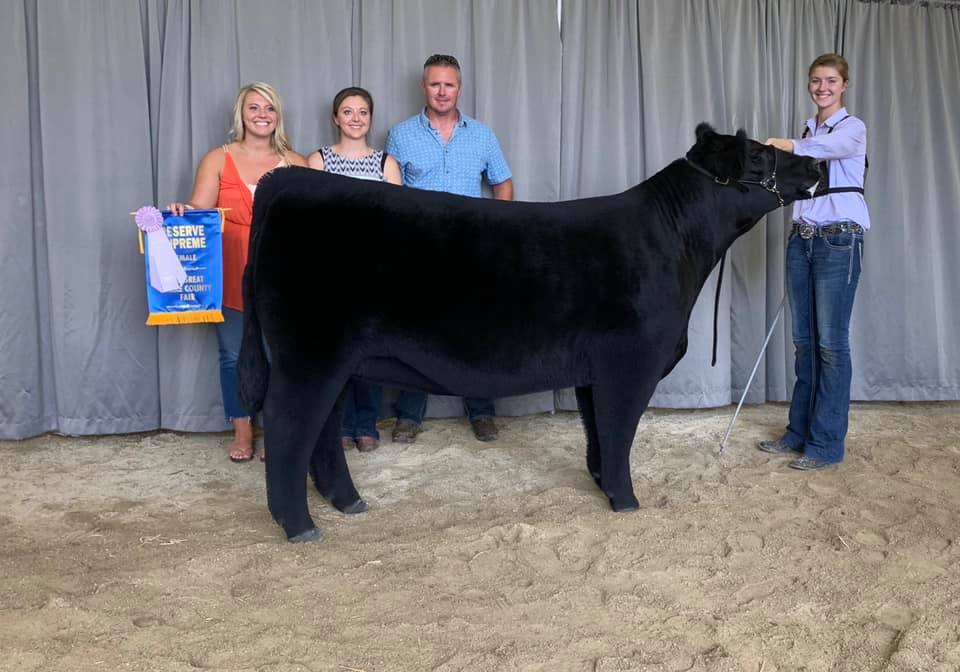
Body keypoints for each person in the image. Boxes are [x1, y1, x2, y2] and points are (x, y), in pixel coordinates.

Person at [167, 82, 307, 463]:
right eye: (254, 107)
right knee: (232, 354)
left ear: (278, 116)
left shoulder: (296, 162)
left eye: (269, 108)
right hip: (228, 270)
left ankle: (277, 427)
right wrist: (182, 212)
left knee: (278, 354)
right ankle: (243, 429)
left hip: (280, 276)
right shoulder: (217, 158)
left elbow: (310, 226)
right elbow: (200, 210)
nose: (261, 114)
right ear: (241, 115)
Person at [385, 53, 514, 445]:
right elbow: (391, 193)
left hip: (472, 249)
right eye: (435, 84)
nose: (442, 91)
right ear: (424, 87)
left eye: (449, 84)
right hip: (419, 250)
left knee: (475, 332)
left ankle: (482, 412)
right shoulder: (400, 134)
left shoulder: (482, 134)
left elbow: (502, 183)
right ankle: (409, 416)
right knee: (416, 333)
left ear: (459, 88)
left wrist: (496, 229)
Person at [759, 53, 870, 470]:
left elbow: (828, 149)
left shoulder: (851, 129)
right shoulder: (809, 129)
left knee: (831, 345)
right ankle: (798, 433)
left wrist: (786, 145)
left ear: (843, 85)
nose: (822, 87)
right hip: (801, 240)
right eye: (815, 81)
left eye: (830, 81)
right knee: (804, 344)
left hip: (838, 240)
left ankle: (825, 445)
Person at [307, 86, 402, 453]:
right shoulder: (318, 161)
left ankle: (368, 425)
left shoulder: (385, 164)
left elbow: (399, 219)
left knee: (372, 353)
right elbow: (312, 218)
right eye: (348, 111)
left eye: (363, 111)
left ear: (371, 118)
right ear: (335, 118)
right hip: (333, 272)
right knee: (338, 353)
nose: (356, 118)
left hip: (375, 272)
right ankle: (342, 425)